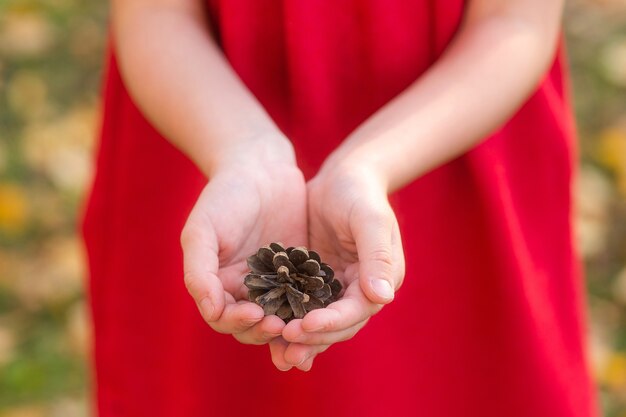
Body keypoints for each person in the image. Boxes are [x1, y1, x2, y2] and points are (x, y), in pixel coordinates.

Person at [82, 0, 598, 416]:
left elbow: (516, 21)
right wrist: (240, 149)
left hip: (453, 140)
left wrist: (370, 164)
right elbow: (155, 13)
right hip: (204, 119)